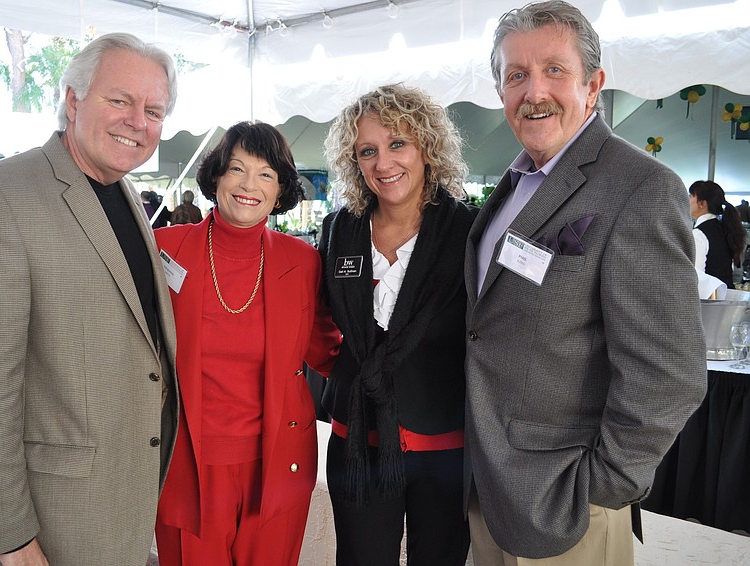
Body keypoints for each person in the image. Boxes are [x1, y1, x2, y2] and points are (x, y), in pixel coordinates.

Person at [463, 2, 708, 564]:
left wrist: (603, 484)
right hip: (489, 487)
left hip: (566, 504)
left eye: (554, 70)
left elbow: (669, 371)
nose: (534, 92)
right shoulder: (515, 182)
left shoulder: (640, 187)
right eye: (516, 75)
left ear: (593, 85)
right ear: (500, 91)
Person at [0, 32, 179, 566]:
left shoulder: (123, 192)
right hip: (51, 522)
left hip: (121, 503)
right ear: (73, 100)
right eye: (120, 100)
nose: (138, 121)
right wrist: (12, 542)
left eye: (153, 110)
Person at [153, 121, 341, 566]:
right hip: (187, 460)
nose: (248, 185)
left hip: (278, 459)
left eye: (265, 174)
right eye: (237, 169)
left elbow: (327, 349)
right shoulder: (164, 250)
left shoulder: (303, 261)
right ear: (216, 176)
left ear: (280, 191)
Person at [319, 83, 474, 565]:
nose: (383, 163)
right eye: (368, 151)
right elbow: (319, 321)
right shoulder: (339, 229)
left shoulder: (469, 232)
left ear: (427, 147)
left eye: (397, 144)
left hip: (443, 442)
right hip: (356, 441)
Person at [689, 180, 744, 288]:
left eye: (690, 196)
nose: (688, 201)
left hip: (710, 296)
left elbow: (697, 277)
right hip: (725, 293)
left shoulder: (699, 234)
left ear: (702, 204)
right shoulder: (724, 228)